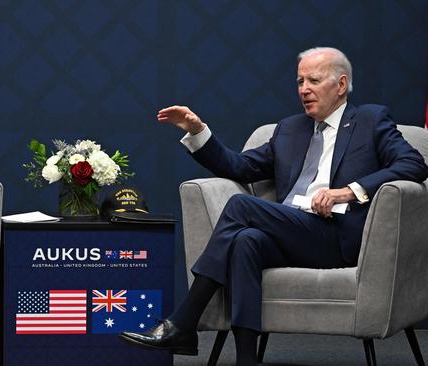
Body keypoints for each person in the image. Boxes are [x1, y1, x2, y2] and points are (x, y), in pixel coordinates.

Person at [119, 47, 428, 365]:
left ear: (340, 84)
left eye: (314, 80)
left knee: (240, 206)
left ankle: (184, 321)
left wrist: (347, 192)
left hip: (337, 237)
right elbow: (239, 168)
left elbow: (413, 164)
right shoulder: (289, 130)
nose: (304, 89)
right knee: (245, 241)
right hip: (293, 231)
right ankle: (246, 359)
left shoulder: (370, 120)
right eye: (299, 81)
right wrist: (198, 131)